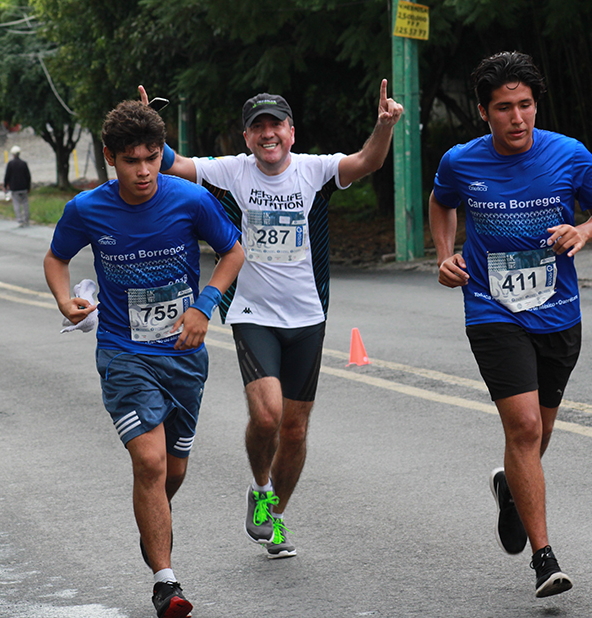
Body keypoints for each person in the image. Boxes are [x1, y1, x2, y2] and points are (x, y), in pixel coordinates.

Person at [139, 80, 403, 559]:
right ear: (246, 137)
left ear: (291, 131)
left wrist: (383, 127)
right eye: (257, 127)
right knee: (267, 414)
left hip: (308, 315)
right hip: (252, 313)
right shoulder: (232, 172)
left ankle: (274, 515)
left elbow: (368, 161)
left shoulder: (315, 171)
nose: (268, 134)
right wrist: (149, 128)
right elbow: (173, 163)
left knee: (296, 430)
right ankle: (260, 487)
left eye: (275, 124)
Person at [429, 51, 592, 598]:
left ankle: (512, 489)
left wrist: (584, 232)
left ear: (536, 105)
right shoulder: (460, 162)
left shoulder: (570, 154)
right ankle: (544, 558)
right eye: (504, 108)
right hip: (492, 309)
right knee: (525, 429)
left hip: (559, 312)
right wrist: (445, 254)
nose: (517, 118)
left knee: (539, 433)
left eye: (525, 105)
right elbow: (441, 203)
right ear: (484, 113)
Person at [43, 100, 244, 618]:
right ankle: (166, 582)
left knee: (171, 473)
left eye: (153, 157)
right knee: (149, 462)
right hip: (122, 352)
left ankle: (152, 520)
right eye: (132, 160)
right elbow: (56, 258)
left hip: (183, 355)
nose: (144, 171)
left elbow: (233, 251)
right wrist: (67, 301)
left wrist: (205, 306)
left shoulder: (190, 199)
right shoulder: (87, 209)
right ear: (110, 157)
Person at [3, 145, 31, 227]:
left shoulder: (10, 164)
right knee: (25, 203)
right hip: (24, 187)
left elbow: (7, 176)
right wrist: (28, 187)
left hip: (14, 188)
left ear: (12, 154)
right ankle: (26, 219)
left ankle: (20, 220)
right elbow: (28, 176)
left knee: (16, 204)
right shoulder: (24, 163)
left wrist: (5, 186)